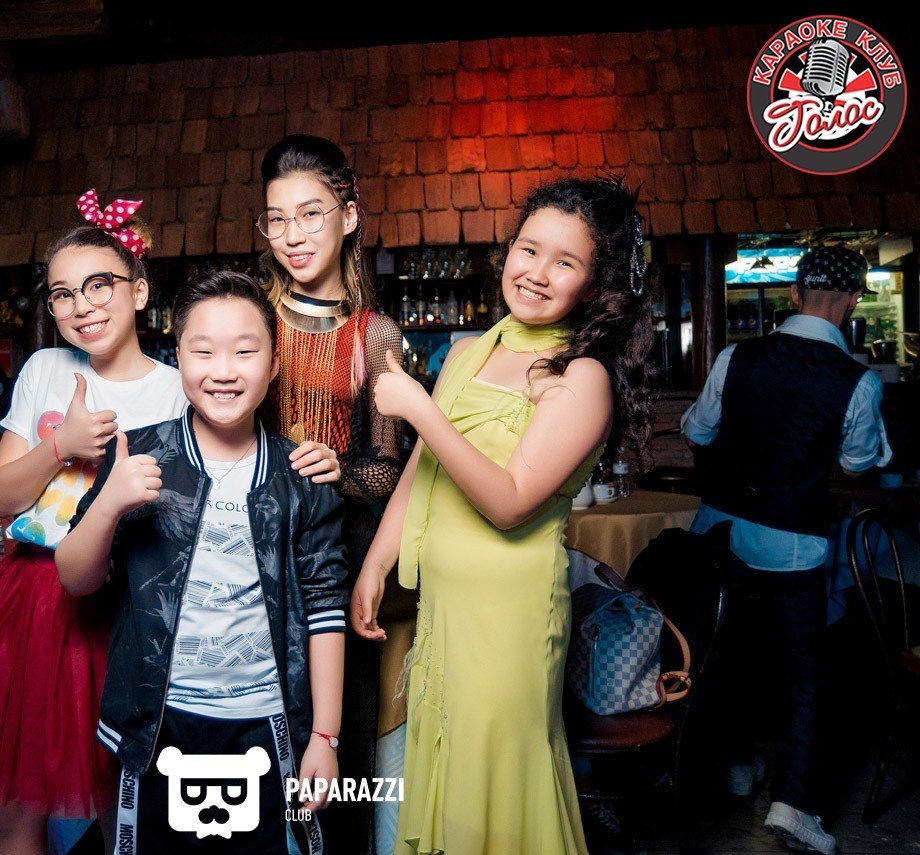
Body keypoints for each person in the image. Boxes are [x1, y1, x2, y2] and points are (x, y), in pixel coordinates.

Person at [353, 177, 656, 854]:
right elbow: (424, 467)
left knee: (495, 790)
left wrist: (418, 407)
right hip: (445, 609)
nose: (538, 272)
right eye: (529, 249)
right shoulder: (471, 350)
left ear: (594, 284)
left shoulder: (581, 376)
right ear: (508, 250)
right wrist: (376, 561)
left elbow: (510, 502)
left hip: (509, 621)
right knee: (450, 775)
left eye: (565, 262)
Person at [0, 190, 187, 855]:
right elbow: (3, 498)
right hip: (35, 604)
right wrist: (62, 445)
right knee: (15, 813)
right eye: (63, 293)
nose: (81, 305)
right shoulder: (44, 369)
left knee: (129, 810)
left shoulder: (178, 387)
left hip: (132, 605)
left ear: (139, 291)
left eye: (99, 284)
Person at [58, 271, 348, 853]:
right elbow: (76, 579)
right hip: (158, 719)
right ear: (178, 357)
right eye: (203, 350)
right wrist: (109, 503)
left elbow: (324, 609)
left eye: (245, 351)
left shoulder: (301, 473)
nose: (224, 370)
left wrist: (326, 736)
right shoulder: (138, 452)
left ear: (274, 363)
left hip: (269, 720)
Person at [681, 246, 892, 855]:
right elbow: (859, 463)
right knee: (802, 671)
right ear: (854, 301)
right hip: (793, 543)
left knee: (725, 655)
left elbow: (697, 430)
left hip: (720, 534)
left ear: (795, 293)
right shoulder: (857, 381)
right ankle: (793, 804)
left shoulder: (736, 357)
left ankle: (734, 765)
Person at [257, 133, 404, 854]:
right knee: (257, 737)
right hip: (255, 551)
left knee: (341, 741)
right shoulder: (251, 318)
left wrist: (336, 469)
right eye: (277, 219)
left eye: (311, 213)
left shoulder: (376, 336)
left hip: (343, 560)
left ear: (348, 215)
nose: (293, 235)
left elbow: (389, 470)